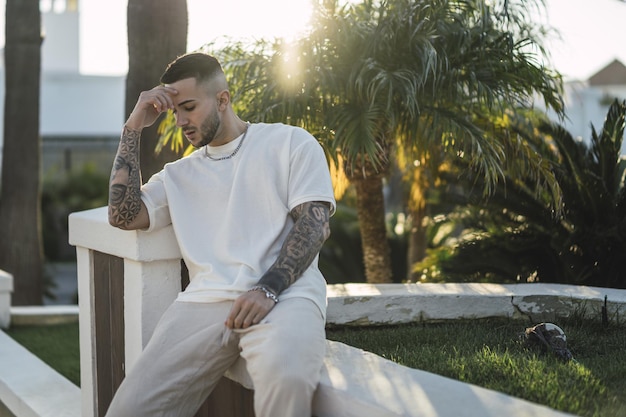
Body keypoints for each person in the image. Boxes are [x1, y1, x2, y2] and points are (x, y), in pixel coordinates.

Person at [106, 52, 335, 417]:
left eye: (190, 107)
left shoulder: (290, 143)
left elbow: (315, 222)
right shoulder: (177, 175)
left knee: (287, 380)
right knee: (130, 409)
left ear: (223, 100)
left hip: (284, 296)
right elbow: (122, 214)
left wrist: (268, 288)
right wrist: (133, 127)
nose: (181, 120)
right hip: (203, 304)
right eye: (175, 111)